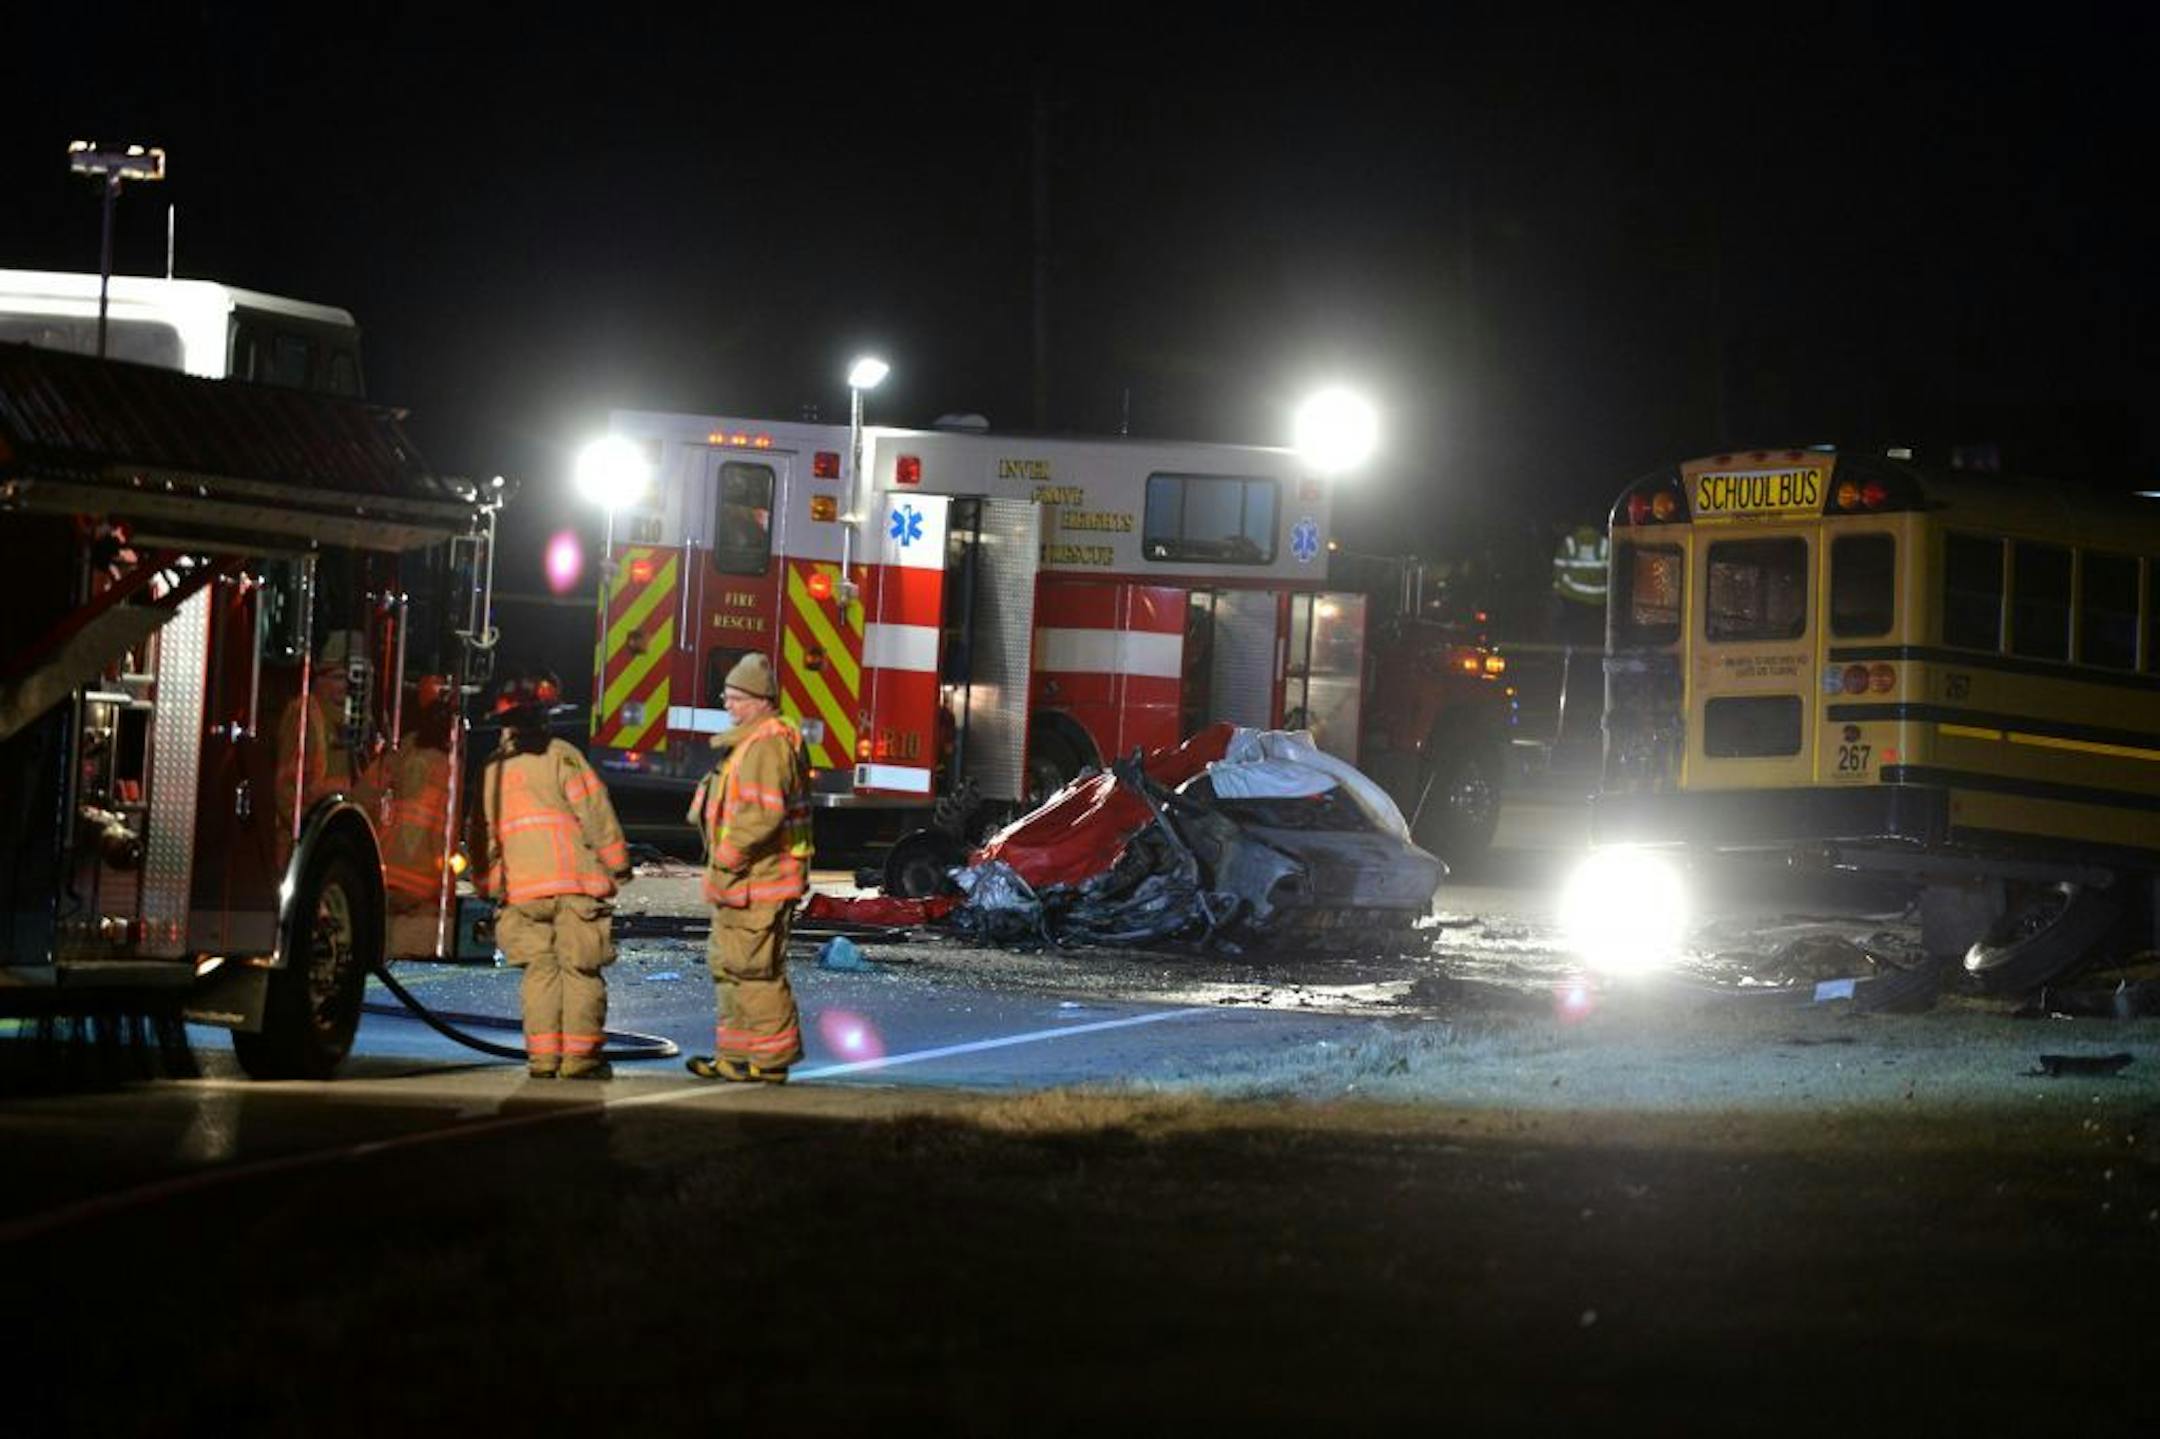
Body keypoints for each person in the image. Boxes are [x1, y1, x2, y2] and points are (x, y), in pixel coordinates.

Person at [474, 672, 633, 1079]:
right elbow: (595, 812)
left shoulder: (492, 770)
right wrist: (617, 864)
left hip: (523, 891)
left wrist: (487, 883)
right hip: (575, 885)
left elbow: (480, 834)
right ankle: (580, 1059)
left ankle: (543, 1059)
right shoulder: (563, 755)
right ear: (543, 716)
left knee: (539, 973)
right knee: (580, 971)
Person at [686, 653, 812, 1083]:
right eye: (727, 696)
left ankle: (772, 1061)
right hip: (748, 882)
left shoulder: (767, 745)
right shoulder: (756, 740)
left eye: (736, 698)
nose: (728, 705)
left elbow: (761, 815)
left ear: (760, 700)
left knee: (756, 972)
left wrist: (726, 860)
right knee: (732, 966)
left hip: (760, 881)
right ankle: (736, 1057)